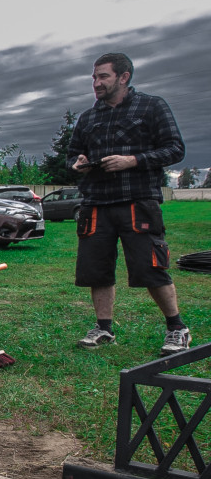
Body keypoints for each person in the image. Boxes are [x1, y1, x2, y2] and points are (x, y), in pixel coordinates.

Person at [68, 52, 190, 355]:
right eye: (94, 77)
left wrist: (132, 160)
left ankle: (177, 328)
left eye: (103, 76)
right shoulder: (88, 117)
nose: (96, 83)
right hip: (96, 202)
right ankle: (104, 328)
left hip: (138, 200)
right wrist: (78, 163)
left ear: (124, 77)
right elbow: (72, 154)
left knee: (149, 267)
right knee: (96, 270)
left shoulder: (151, 106)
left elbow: (175, 149)